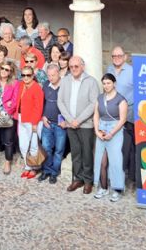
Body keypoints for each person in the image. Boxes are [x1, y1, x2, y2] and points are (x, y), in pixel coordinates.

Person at [58, 56, 99, 194]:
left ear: (82, 66)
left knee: (87, 152)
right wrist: (70, 120)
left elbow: (93, 103)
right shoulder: (65, 81)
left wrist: (79, 120)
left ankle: (88, 181)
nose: (74, 69)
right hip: (71, 124)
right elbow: (60, 102)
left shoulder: (91, 82)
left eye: (76, 66)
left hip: (85, 124)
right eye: (71, 67)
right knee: (75, 152)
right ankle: (77, 178)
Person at [92, 73, 128, 202]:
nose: (106, 85)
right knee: (102, 161)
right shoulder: (100, 98)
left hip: (115, 130)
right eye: (104, 83)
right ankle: (103, 187)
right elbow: (96, 114)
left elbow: (122, 119)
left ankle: (117, 189)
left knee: (115, 160)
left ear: (114, 83)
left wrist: (112, 133)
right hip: (101, 128)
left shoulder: (121, 99)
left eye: (108, 83)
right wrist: (96, 130)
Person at [105, 46, 135, 186]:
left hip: (127, 116)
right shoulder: (109, 70)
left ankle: (123, 180)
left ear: (125, 57)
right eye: (114, 56)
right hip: (111, 116)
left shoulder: (132, 71)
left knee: (125, 149)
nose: (116, 58)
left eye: (119, 55)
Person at [14, 66, 44, 180]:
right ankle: (27, 166)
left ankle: (34, 168)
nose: (25, 77)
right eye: (23, 75)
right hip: (22, 118)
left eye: (28, 75)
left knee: (34, 145)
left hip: (32, 120)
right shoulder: (22, 85)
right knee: (23, 144)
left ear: (33, 76)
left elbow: (38, 107)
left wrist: (35, 123)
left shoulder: (37, 88)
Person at [38, 64, 66, 185]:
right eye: (48, 75)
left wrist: (65, 120)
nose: (50, 78)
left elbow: (69, 104)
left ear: (59, 73)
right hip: (47, 122)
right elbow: (41, 102)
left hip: (60, 123)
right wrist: (43, 116)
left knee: (59, 150)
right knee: (46, 148)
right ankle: (46, 170)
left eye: (53, 75)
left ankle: (54, 173)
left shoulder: (65, 86)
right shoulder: (45, 85)